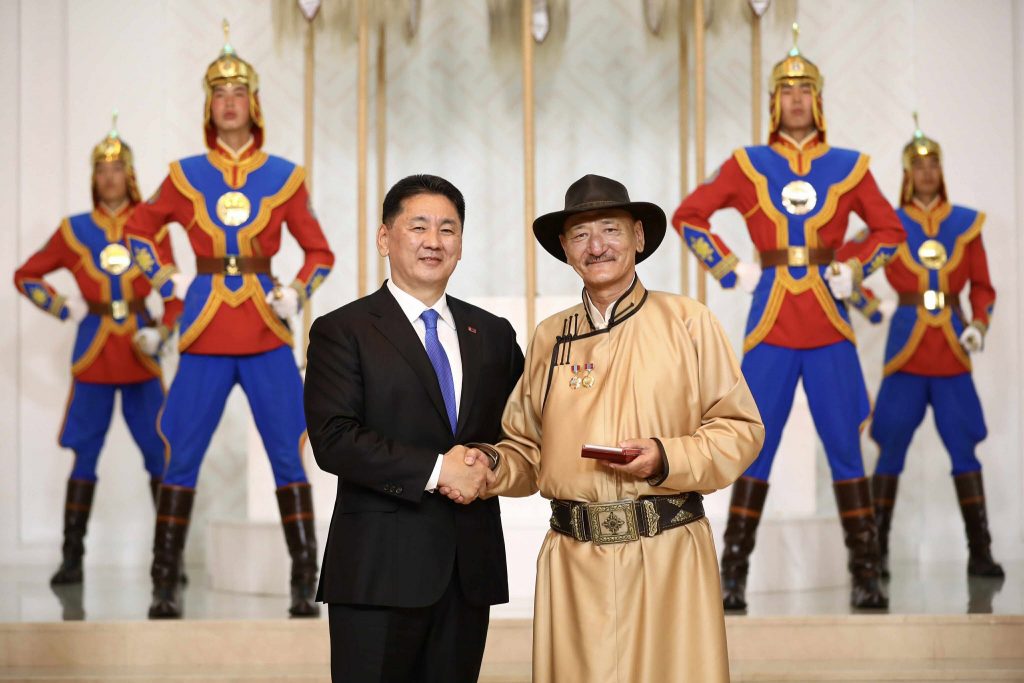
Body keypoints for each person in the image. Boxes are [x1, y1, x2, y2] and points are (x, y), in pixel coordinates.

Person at [447, 174, 763, 682]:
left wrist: (665, 457)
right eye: (580, 235)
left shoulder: (688, 321)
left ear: (638, 236)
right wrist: (490, 465)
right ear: (565, 249)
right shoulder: (552, 336)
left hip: (668, 554)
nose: (597, 247)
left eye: (610, 230)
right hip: (574, 561)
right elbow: (527, 447)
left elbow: (739, 428)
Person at [671, 24, 905, 610]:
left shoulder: (850, 166)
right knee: (754, 444)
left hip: (829, 324)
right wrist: (730, 269)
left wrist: (855, 269)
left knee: (844, 446)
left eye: (805, 90)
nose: (796, 100)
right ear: (774, 100)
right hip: (770, 324)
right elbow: (689, 215)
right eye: (787, 90)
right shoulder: (748, 164)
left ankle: (866, 574)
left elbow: (890, 230)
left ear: (817, 100)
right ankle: (732, 575)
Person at [124, 22, 335, 618]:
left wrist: (297, 291)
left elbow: (320, 253)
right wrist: (165, 280)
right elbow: (138, 230)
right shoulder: (183, 173)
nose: (229, 102)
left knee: (288, 452)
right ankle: (164, 583)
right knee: (181, 452)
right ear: (208, 106)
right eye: (219, 94)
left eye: (239, 93)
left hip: (266, 330)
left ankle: (304, 582)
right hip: (204, 329)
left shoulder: (285, 176)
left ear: (254, 103)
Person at [304, 174, 524, 683]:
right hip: (377, 572)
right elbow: (334, 439)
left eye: (448, 229)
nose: (434, 241)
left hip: (468, 571)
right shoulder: (343, 330)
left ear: (461, 243)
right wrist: (438, 469)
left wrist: (491, 460)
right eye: (418, 226)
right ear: (385, 238)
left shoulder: (492, 333)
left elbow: (523, 427)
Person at [13, 114, 176, 586]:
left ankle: (168, 562)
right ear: (94, 177)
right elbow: (26, 275)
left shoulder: (152, 228)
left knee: (159, 453)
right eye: (102, 170)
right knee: (85, 453)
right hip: (94, 353)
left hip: (141, 352)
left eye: (117, 169)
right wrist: (62, 305)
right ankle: (72, 560)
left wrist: (164, 332)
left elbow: (173, 292)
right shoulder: (75, 229)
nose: (109, 177)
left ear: (130, 174)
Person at [870, 116, 1003, 580]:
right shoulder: (889, 224)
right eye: (918, 165)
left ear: (941, 171)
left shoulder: (965, 224)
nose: (926, 172)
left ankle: (980, 552)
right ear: (907, 173)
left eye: (933, 164)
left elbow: (982, 287)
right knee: (890, 446)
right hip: (906, 352)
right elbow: (848, 263)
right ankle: (875, 554)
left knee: (964, 446)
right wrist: (871, 306)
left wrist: (979, 324)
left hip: (951, 350)